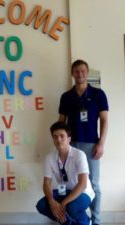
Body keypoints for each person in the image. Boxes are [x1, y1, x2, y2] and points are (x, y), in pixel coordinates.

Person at [58, 59, 108, 225]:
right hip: (71, 146)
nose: (80, 74)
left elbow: (105, 121)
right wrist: (62, 146)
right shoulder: (66, 97)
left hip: (91, 145)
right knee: (71, 183)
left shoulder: (98, 94)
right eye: (76, 71)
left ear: (87, 73)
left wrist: (101, 143)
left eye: (83, 71)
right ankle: (73, 219)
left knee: (93, 184)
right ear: (72, 74)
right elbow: (61, 123)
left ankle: (96, 221)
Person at [36, 121, 95, 225]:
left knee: (72, 207)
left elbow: (82, 184)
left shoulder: (79, 155)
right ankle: (67, 221)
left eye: (62, 136)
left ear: (69, 139)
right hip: (63, 191)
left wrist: (64, 203)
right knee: (42, 205)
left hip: (82, 192)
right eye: (55, 137)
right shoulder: (50, 158)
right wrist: (51, 201)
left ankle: (86, 222)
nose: (58, 139)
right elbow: (46, 183)